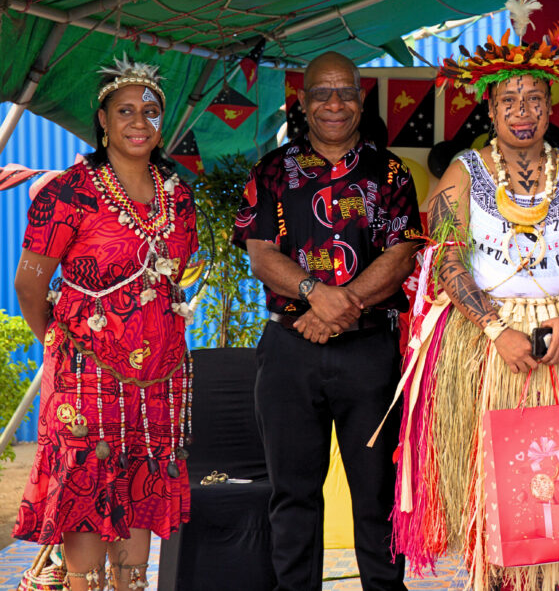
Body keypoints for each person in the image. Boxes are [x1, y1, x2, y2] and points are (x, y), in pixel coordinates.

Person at [384, 30, 559, 591]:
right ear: (489, 108)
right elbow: (446, 260)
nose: (523, 113)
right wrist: (495, 330)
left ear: (550, 106)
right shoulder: (463, 174)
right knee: (495, 493)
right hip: (487, 346)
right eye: (510, 102)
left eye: (535, 100)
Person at [233, 51, 422, 591]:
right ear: (303, 102)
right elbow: (262, 254)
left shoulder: (390, 172)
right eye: (322, 93)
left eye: (345, 92)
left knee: (378, 494)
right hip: (289, 351)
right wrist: (317, 294)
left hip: (369, 355)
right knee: (292, 493)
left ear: (361, 101)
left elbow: (402, 254)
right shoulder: (270, 171)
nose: (334, 103)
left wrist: (339, 312)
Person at [13, 55, 198, 591]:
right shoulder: (68, 192)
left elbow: (172, 278)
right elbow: (30, 285)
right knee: (86, 486)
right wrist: (63, 345)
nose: (139, 122)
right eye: (125, 110)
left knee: (141, 481)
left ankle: (131, 585)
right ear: (103, 120)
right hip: (85, 375)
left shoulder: (177, 196)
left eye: (150, 111)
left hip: (157, 379)